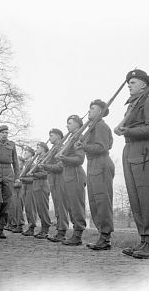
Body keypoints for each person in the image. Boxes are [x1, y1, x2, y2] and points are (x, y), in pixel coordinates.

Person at [114, 70, 149, 258]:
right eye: (129, 83)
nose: (129, 85)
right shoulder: (132, 104)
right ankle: (142, 240)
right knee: (136, 198)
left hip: (144, 151)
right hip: (130, 150)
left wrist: (128, 130)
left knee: (146, 197)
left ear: (144, 84)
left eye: (133, 82)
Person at [76, 99, 115, 250]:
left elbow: (102, 147)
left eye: (92, 108)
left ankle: (105, 239)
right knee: (94, 202)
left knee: (102, 201)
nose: (89, 111)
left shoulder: (101, 126)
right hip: (93, 164)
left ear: (100, 112)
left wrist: (83, 146)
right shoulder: (92, 127)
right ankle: (102, 236)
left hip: (101, 163)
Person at [57, 115, 87, 246]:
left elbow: (80, 159)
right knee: (70, 206)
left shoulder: (79, 138)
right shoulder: (70, 139)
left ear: (77, 125)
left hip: (75, 175)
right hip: (67, 174)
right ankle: (75, 233)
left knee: (76, 206)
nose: (67, 126)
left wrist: (64, 158)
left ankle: (78, 235)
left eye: (70, 123)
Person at [0, 125, 20, 239]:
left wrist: (17, 177)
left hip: (8, 172)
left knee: (6, 202)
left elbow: (15, 161)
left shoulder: (11, 144)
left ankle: (1, 229)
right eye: (3, 132)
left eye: (6, 132)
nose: (5, 134)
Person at [43, 129, 67, 242]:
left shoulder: (62, 147)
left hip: (60, 179)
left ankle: (62, 231)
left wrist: (46, 166)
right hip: (53, 179)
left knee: (61, 206)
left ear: (58, 136)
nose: (50, 137)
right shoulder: (53, 149)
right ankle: (59, 230)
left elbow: (60, 166)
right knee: (57, 205)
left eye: (51, 135)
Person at [32, 142, 51, 239]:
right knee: (39, 209)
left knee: (43, 208)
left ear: (43, 148)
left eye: (38, 147)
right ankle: (43, 229)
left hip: (42, 185)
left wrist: (33, 174)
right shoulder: (39, 159)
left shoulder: (46, 158)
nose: (36, 149)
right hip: (37, 185)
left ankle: (46, 230)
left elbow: (45, 173)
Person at [20, 146, 38, 236]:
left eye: (26, 152)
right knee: (27, 208)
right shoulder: (26, 164)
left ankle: (32, 227)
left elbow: (33, 178)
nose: (25, 154)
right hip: (25, 188)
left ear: (31, 154)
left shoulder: (32, 164)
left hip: (30, 188)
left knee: (30, 208)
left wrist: (22, 179)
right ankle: (30, 227)